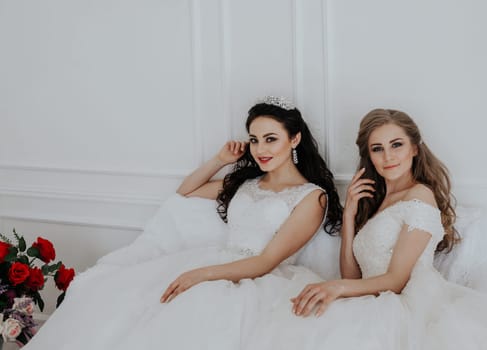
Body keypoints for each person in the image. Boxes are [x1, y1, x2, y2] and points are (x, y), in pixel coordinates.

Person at [23, 96, 343, 350]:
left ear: (295, 139)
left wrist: (199, 275)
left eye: (271, 139)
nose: (260, 149)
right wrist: (220, 160)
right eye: (255, 140)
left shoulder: (311, 197)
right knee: (126, 307)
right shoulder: (247, 183)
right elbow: (185, 192)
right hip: (217, 261)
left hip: (262, 278)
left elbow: (266, 261)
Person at [246, 109, 487, 350]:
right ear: (369, 155)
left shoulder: (420, 196)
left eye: (396, 145)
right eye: (377, 148)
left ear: (415, 148)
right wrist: (351, 216)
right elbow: (352, 276)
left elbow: (397, 280)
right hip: (372, 298)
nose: (388, 156)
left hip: (407, 304)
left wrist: (336, 287)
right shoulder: (378, 202)